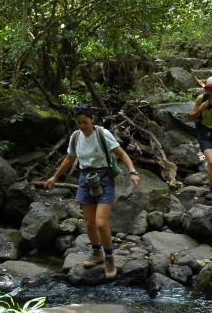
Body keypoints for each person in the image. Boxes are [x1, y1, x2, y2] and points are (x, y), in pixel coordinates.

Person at [45, 104, 141, 279]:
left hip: (104, 178)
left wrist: (133, 172)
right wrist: (55, 177)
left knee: (100, 223)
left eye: (85, 122)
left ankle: (109, 256)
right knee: (89, 223)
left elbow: (121, 154)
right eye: (79, 122)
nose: (82, 126)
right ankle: (97, 253)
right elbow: (69, 158)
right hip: (84, 179)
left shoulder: (103, 134)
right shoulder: (76, 136)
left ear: (92, 119)